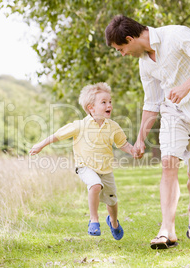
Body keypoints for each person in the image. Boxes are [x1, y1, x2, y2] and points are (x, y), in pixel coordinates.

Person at [105, 15, 190, 249]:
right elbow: (152, 102)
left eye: (121, 49)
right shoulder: (144, 63)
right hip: (174, 113)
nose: (122, 54)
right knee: (169, 163)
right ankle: (167, 230)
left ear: (130, 39)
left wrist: (185, 86)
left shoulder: (176, 34)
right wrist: (140, 139)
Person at [29, 82, 134, 240]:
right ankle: (94, 220)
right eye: (104, 102)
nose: (109, 105)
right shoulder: (80, 126)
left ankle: (113, 222)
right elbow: (58, 135)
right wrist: (41, 145)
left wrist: (134, 151)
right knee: (95, 185)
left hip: (106, 169)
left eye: (110, 102)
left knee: (112, 201)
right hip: (85, 166)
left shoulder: (113, 127)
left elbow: (123, 144)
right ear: (91, 108)